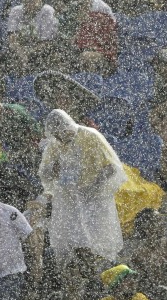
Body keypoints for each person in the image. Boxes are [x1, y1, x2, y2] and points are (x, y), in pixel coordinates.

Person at [38, 109, 126, 264]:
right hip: (69, 202)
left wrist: (93, 186)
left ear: (68, 126)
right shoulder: (55, 145)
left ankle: (100, 268)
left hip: (95, 200)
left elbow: (112, 167)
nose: (60, 138)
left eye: (62, 133)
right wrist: (54, 169)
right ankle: (73, 271)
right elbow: (45, 173)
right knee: (72, 242)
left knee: (96, 241)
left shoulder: (90, 136)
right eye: (56, 136)